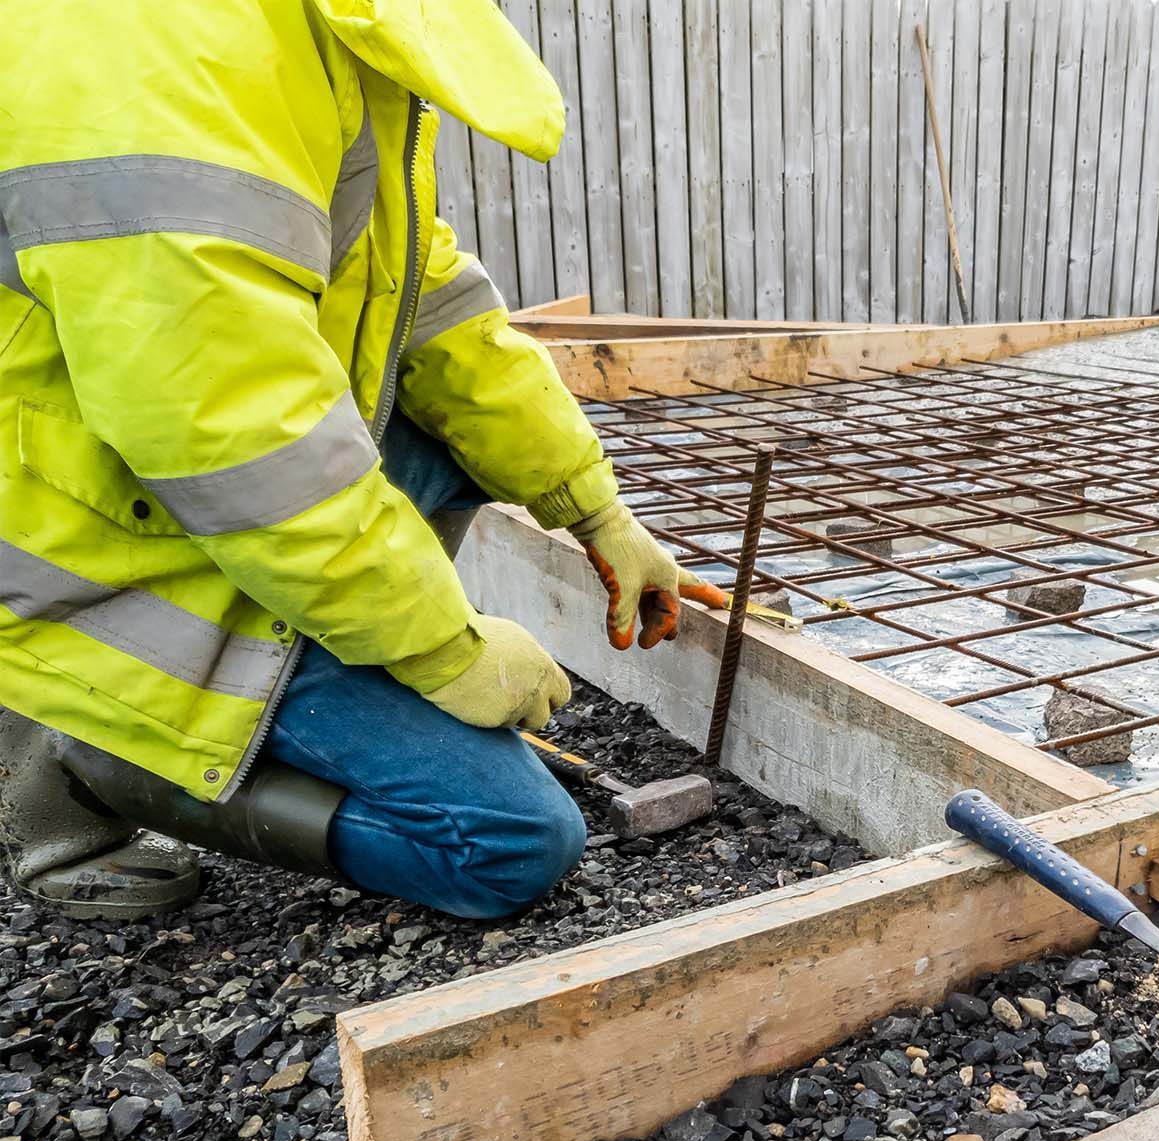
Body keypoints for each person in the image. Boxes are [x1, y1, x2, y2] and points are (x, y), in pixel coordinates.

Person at [0, 1, 712, 921]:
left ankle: (333, 656)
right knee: (513, 844)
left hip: (205, 502)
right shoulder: (162, 62)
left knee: (456, 445)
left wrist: (593, 509)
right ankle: (96, 751)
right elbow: (244, 440)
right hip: (93, 542)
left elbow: (426, 304)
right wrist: (448, 652)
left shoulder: (309, 40)